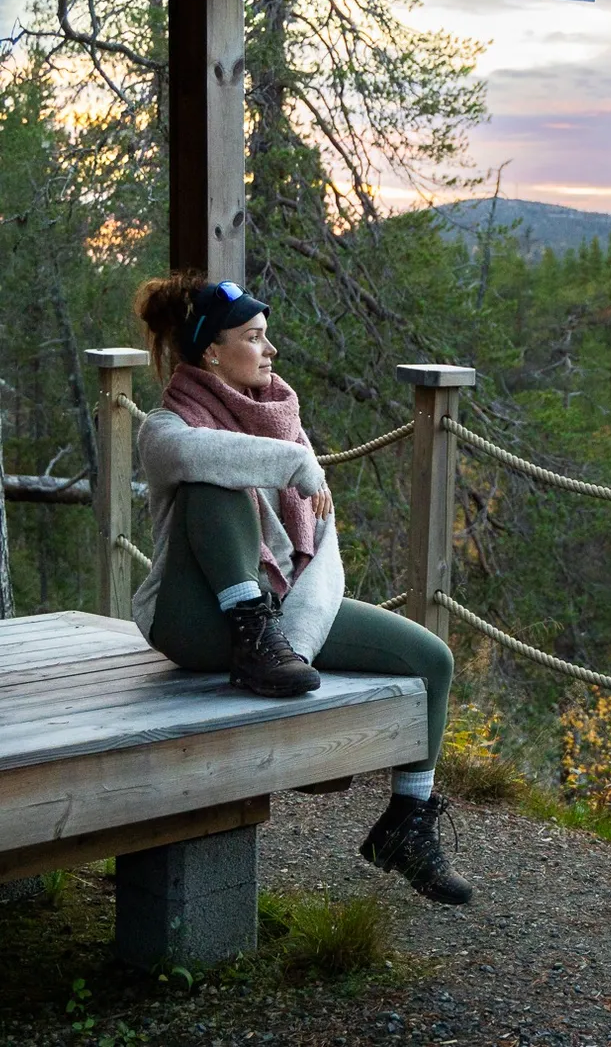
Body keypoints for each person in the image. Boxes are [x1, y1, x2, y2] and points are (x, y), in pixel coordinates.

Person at [131, 272, 471, 906]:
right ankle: (255, 634)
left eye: (268, 337)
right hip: (193, 620)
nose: (271, 350)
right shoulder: (165, 428)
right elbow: (205, 456)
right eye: (255, 338)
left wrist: (300, 647)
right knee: (215, 476)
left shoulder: (284, 424)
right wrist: (293, 463)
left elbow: (325, 552)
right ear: (211, 351)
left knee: (431, 660)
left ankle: (406, 823)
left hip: (277, 624)